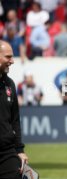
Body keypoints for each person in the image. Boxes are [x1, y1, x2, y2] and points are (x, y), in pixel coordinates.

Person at [0, 40, 28, 178]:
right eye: (8, 57)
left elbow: (15, 119)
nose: (12, 61)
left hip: (6, 151)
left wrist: (20, 150)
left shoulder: (9, 84)